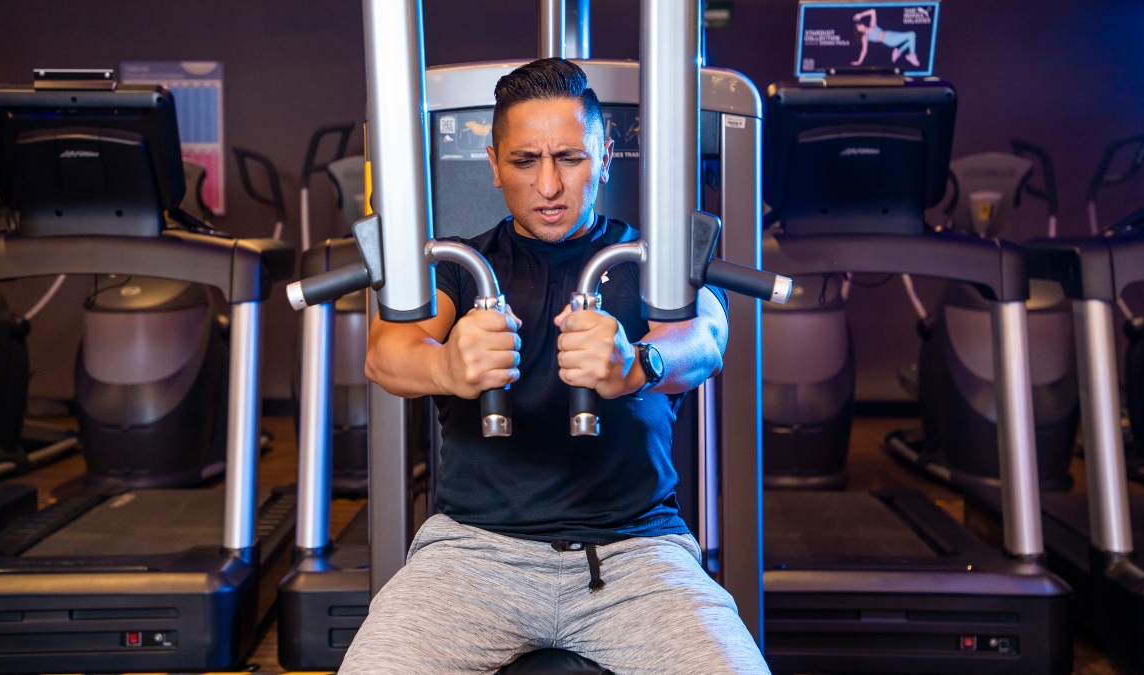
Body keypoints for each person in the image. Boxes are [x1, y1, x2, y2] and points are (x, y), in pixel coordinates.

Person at [340, 58, 770, 675]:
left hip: (635, 554)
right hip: (472, 556)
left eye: (569, 158)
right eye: (525, 162)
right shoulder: (459, 267)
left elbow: (705, 339)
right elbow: (387, 353)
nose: (548, 185)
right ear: (494, 164)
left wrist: (637, 364)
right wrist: (448, 368)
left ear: (604, 156)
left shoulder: (650, 260)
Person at [851, 8, 922, 68]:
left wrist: (861, 14)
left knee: (911, 41)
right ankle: (911, 55)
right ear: (858, 31)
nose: (860, 27)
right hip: (888, 40)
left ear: (862, 23)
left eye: (859, 25)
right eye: (858, 28)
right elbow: (864, 50)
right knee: (912, 34)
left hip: (890, 33)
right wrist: (859, 62)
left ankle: (898, 52)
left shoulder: (872, 25)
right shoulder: (865, 37)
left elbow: (873, 11)